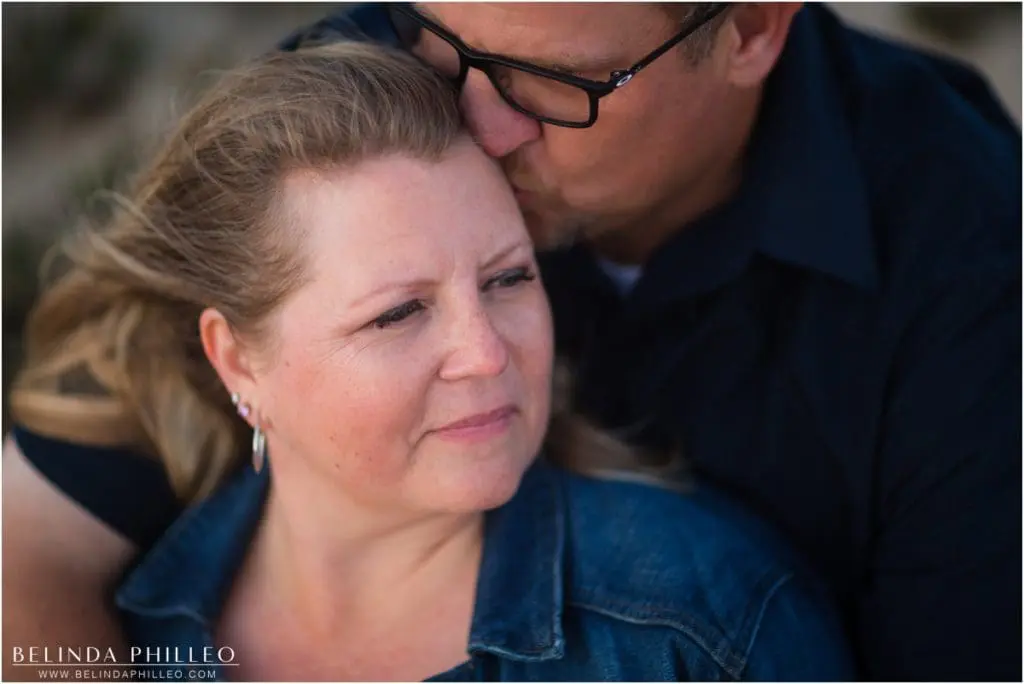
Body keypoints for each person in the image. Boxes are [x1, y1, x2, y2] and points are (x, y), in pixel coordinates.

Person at [4, 3, 1020, 680]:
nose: (478, 130)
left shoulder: (976, 276)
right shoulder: (373, 92)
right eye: (445, 43)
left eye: (549, 81)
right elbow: (27, 543)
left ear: (750, 25)